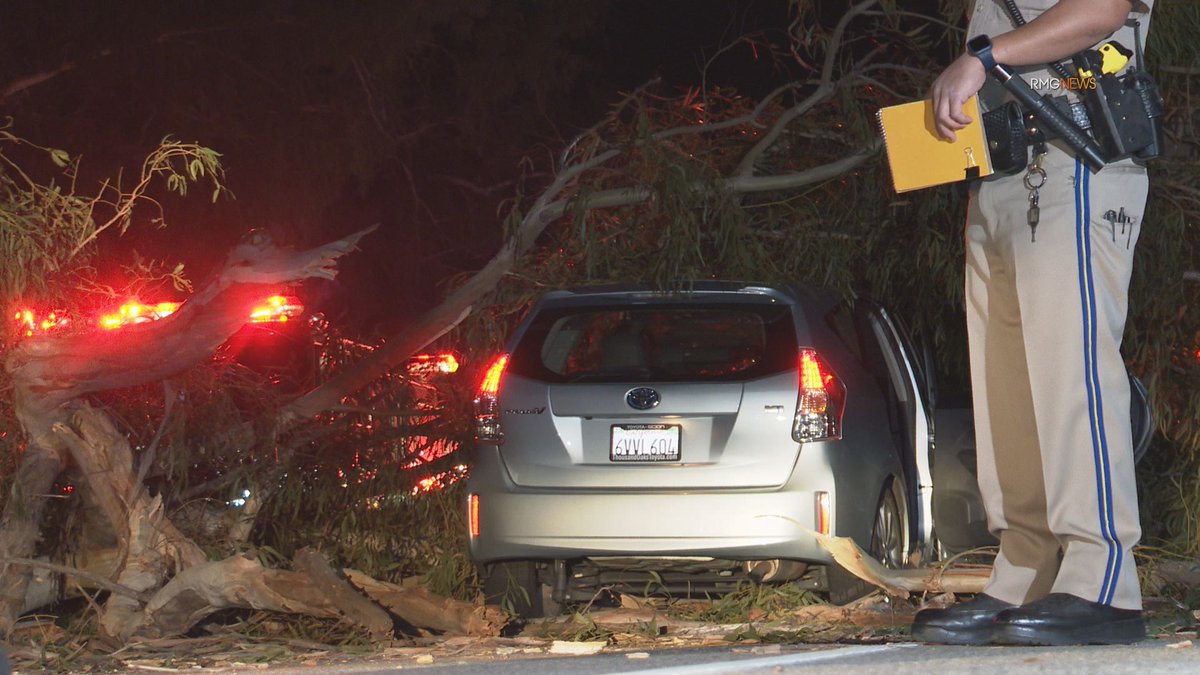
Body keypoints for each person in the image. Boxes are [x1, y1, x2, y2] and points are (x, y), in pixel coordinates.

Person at [911, 0, 1155, 646]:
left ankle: (1102, 577)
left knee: (1069, 375)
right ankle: (1027, 568)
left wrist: (984, 58)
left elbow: (1100, 15)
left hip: (1076, 153)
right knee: (1008, 389)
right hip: (1000, 166)